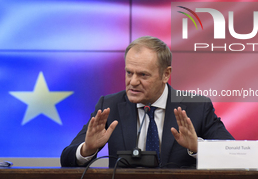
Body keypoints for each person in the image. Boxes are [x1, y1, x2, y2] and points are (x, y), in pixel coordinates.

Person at [60, 36, 233, 168]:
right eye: (129, 72)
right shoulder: (109, 106)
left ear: (166, 74)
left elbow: (234, 155)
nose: (133, 82)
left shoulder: (197, 107)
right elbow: (66, 159)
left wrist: (198, 147)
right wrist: (87, 149)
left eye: (143, 75)